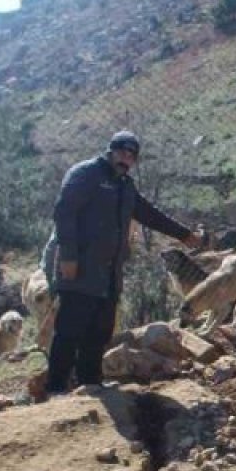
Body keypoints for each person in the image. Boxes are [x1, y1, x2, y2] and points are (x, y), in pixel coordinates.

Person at [46, 131, 202, 395]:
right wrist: (69, 257)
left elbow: (149, 214)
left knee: (100, 330)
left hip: (109, 274)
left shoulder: (125, 186)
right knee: (70, 329)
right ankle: (56, 387)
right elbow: (64, 213)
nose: (126, 158)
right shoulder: (85, 174)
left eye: (132, 155)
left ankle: (90, 382)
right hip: (80, 269)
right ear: (110, 150)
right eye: (122, 152)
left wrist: (184, 234)